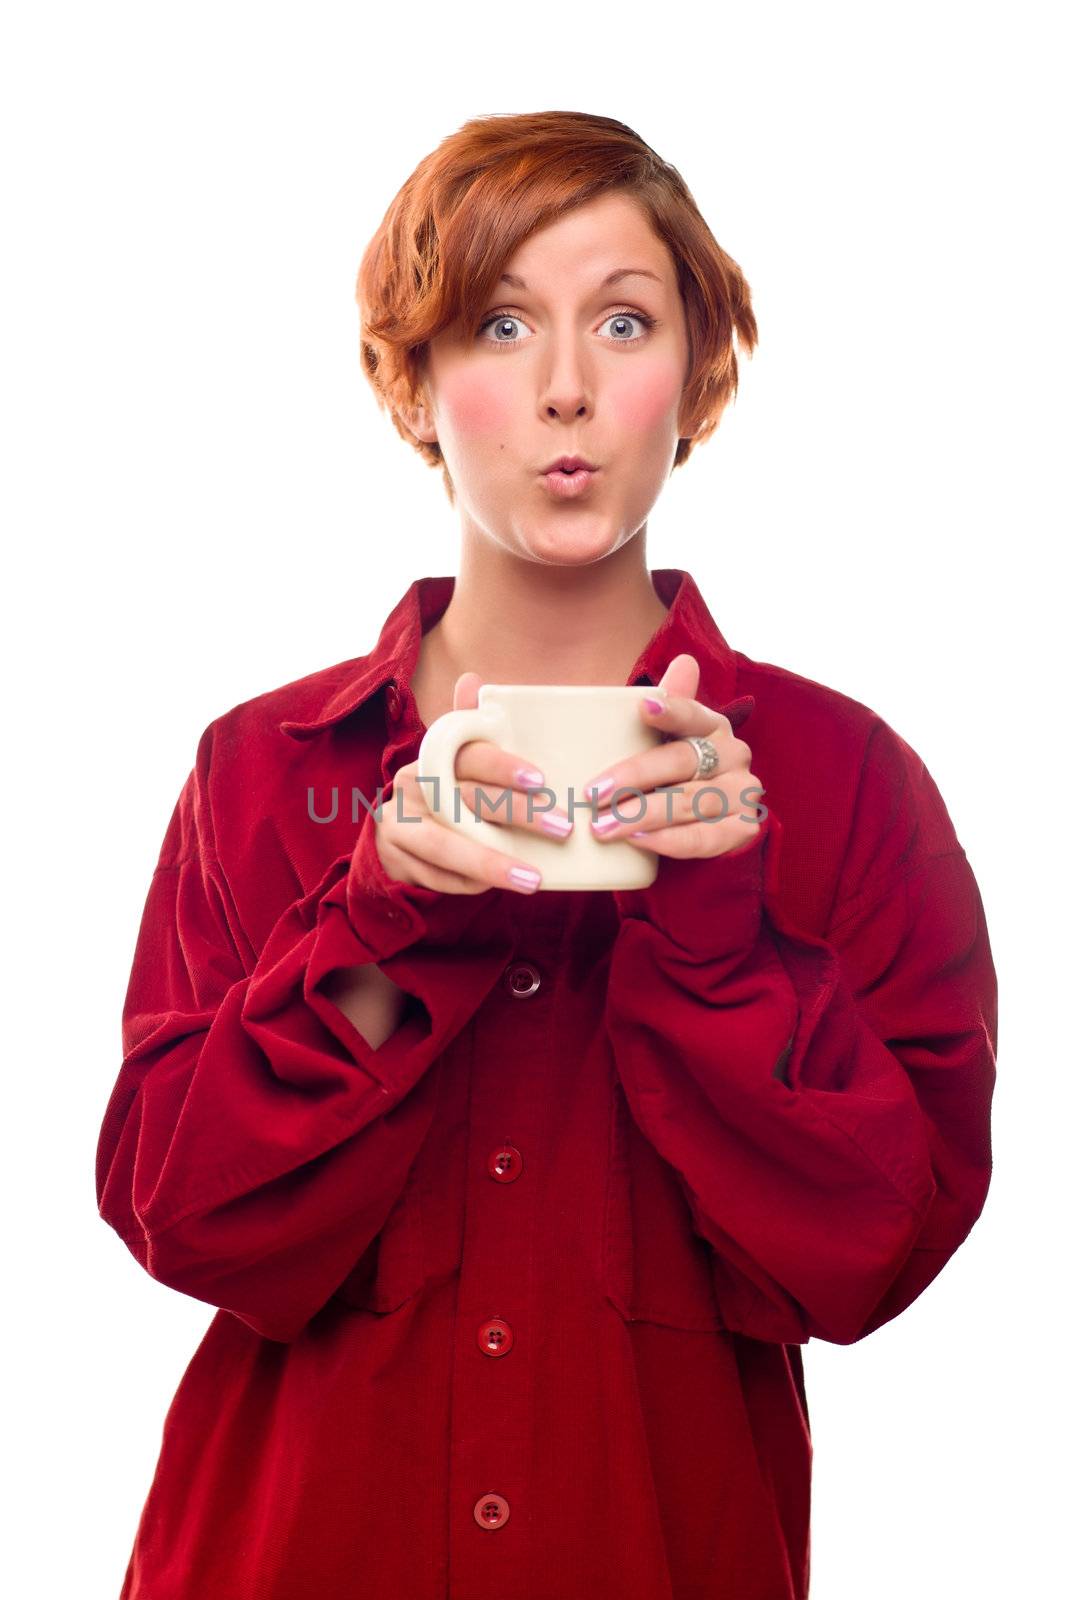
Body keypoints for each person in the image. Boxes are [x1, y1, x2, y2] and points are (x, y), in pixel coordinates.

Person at [96, 110, 997, 1600]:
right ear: (418, 378)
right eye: (502, 324)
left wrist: (717, 946)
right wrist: (390, 928)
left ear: (696, 373)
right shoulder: (266, 772)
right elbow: (182, 1214)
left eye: (623, 322)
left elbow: (873, 1258)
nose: (567, 389)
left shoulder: (846, 787)